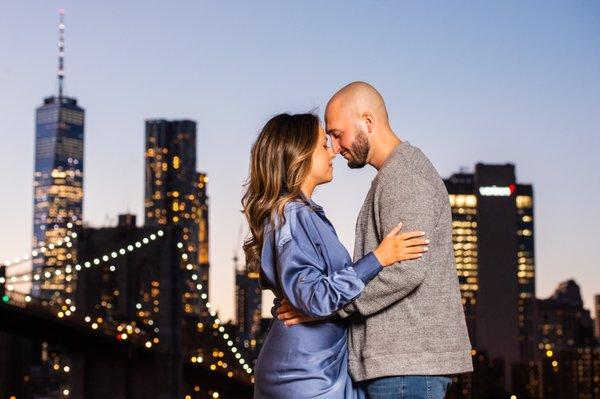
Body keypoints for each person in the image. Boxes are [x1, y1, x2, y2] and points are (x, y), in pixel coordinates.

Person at [278, 82, 473, 399]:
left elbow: (406, 271)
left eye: (338, 134)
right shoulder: (394, 175)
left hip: (405, 368)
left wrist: (327, 308)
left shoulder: (404, 177)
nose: (336, 148)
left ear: (367, 122)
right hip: (398, 367)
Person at [243, 113, 429, 398]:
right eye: (322, 144)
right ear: (299, 154)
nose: (333, 150)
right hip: (304, 374)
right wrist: (378, 259)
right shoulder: (291, 216)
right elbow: (315, 297)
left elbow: (311, 295)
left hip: (319, 365)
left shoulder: (304, 215)